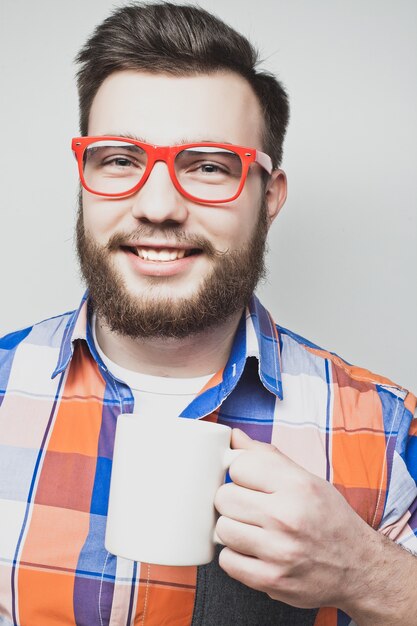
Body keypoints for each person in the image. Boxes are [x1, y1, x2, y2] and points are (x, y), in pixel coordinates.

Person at [0, 2, 416, 625]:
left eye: (210, 167)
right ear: (84, 178)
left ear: (268, 198)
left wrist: (368, 573)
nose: (160, 207)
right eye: (120, 159)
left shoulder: (389, 430)